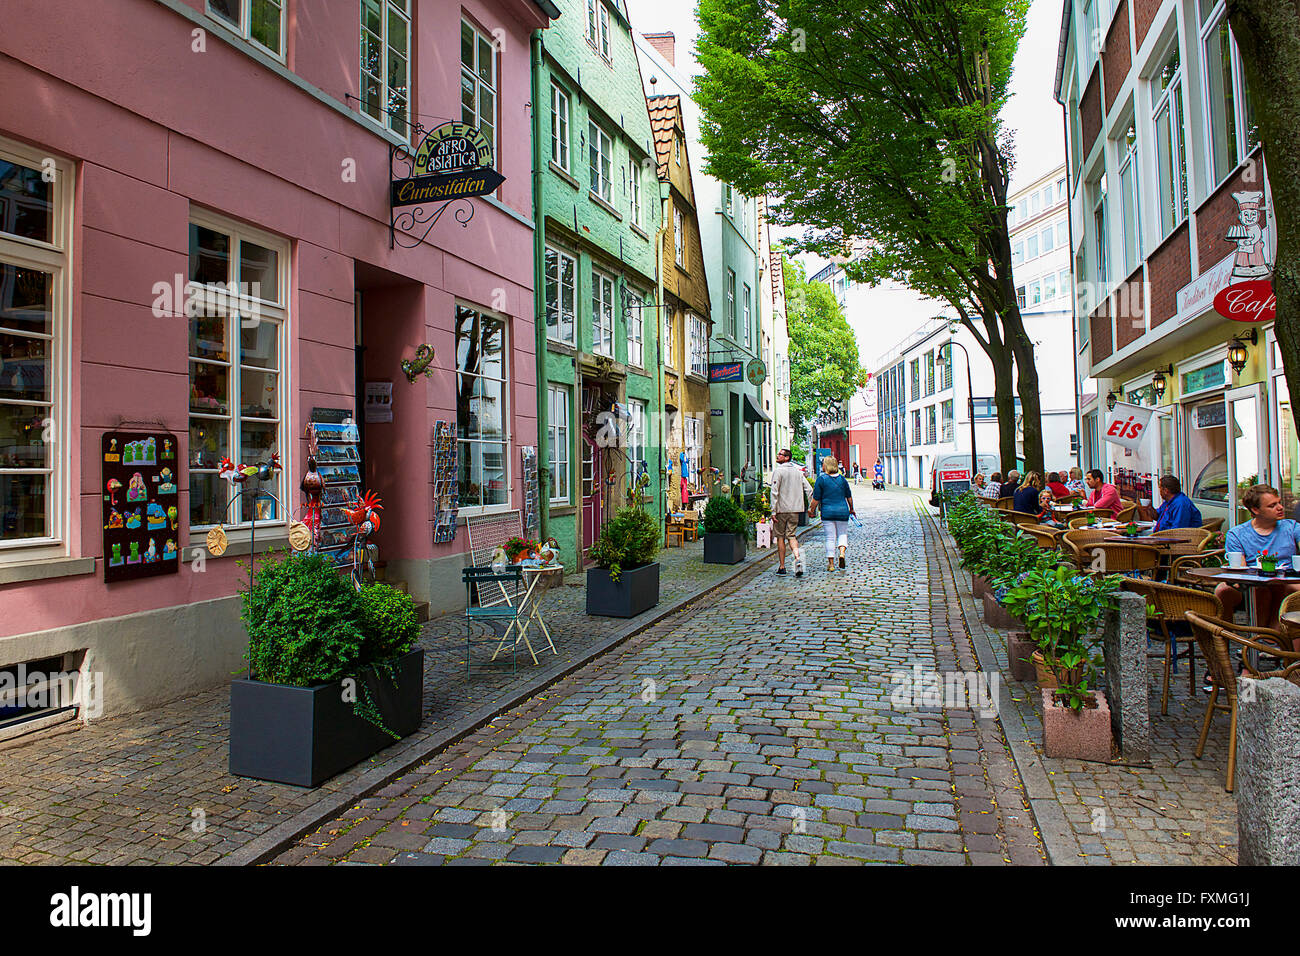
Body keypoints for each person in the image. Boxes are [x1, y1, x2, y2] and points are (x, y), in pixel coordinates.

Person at [1218, 484, 1300, 626]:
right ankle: (1225, 639)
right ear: (1255, 510)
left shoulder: (1291, 527)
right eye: (1272, 505)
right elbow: (1240, 572)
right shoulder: (1237, 534)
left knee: (1288, 588)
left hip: (1285, 581)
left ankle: (1274, 636)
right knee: (1223, 590)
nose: (1280, 507)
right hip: (1252, 585)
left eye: (1279, 502)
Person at [810, 455, 855, 571]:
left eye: (824, 464)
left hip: (827, 512)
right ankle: (842, 553)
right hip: (842, 511)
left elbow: (816, 498)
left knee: (830, 538)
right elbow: (848, 496)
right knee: (842, 534)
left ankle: (831, 564)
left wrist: (811, 510)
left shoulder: (821, 479)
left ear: (827, 466)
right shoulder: (842, 479)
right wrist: (851, 509)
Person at [770, 448, 807, 577]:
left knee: (780, 536)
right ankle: (797, 558)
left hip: (781, 510)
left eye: (780, 454)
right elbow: (808, 489)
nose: (777, 455)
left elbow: (774, 492)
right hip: (795, 510)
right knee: (791, 535)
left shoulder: (778, 471)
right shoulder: (798, 473)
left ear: (787, 457)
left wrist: (773, 511)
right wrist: (809, 507)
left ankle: (782, 566)